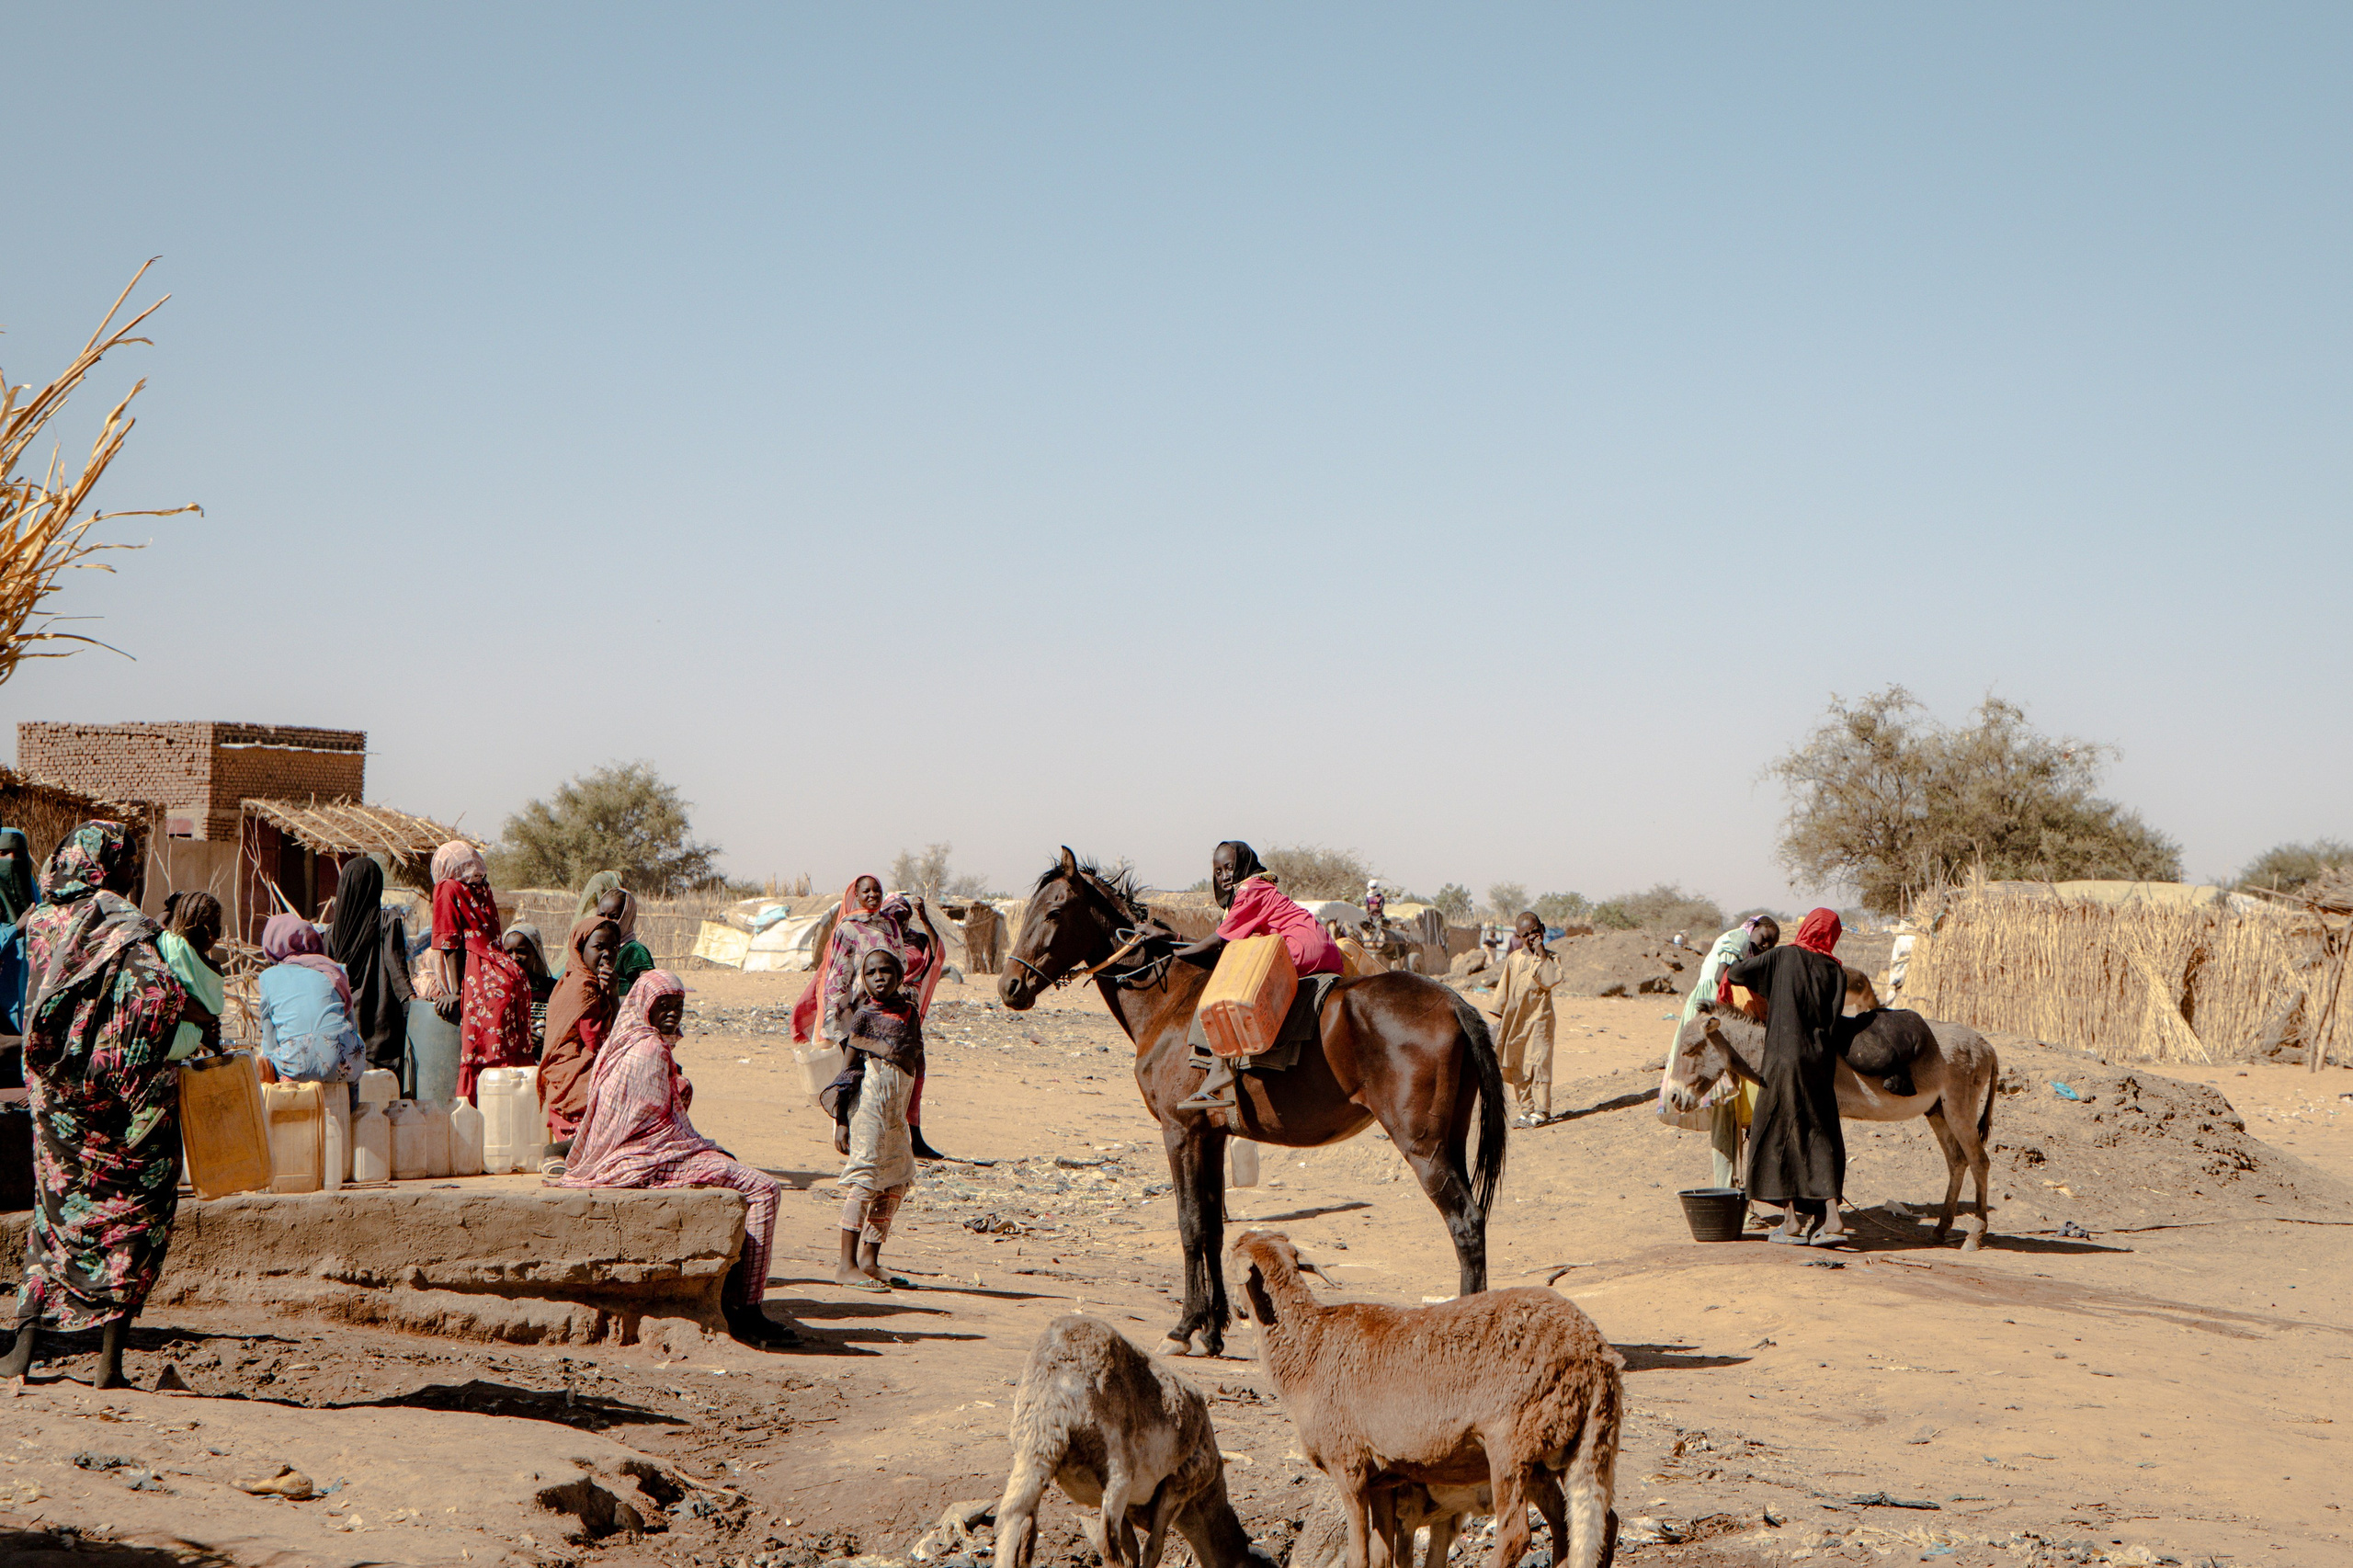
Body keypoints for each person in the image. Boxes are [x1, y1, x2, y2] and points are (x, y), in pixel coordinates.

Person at [2, 822, 188, 1389]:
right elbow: (159, 994)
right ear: (104, 865)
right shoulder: (119, 922)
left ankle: (22, 1354)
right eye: (130, 861)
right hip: (108, 1096)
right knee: (135, 1210)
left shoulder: (36, 921)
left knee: (53, 1212)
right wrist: (131, 1063)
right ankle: (109, 1362)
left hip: (51, 1097)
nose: (136, 872)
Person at [552, 971, 797, 1348]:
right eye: (663, 1006)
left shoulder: (626, 1041)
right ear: (646, 1008)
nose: (671, 1014)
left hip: (638, 1150)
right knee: (763, 1189)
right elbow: (651, 1128)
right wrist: (697, 1145)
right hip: (644, 1157)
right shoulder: (649, 1050)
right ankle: (748, 1310)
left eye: (677, 1007)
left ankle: (735, 1299)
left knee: (727, 1165)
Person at [1174, 841, 1345, 1111]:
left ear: (1243, 865)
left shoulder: (1250, 889)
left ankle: (1221, 1066)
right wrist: (1177, 941)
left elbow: (1218, 943)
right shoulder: (1258, 889)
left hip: (1301, 947)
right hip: (1323, 948)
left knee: (1233, 975)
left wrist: (1172, 954)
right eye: (1218, 872)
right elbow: (1220, 939)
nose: (1225, 876)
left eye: (1230, 867)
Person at [793, 875, 949, 1158]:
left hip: (892, 1008)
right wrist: (836, 1015)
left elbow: (900, 963)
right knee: (858, 1073)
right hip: (859, 1010)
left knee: (908, 1068)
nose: (873, 894)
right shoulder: (848, 928)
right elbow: (838, 972)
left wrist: (901, 1001)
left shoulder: (889, 926)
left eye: (877, 889)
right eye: (867, 891)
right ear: (857, 895)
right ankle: (848, 1131)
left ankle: (907, 1137)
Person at [1724, 907, 1849, 1246]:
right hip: (1820, 1062)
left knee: (1777, 1130)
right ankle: (1832, 1216)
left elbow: (1735, 974)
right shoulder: (1836, 971)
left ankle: (1791, 1221)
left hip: (1782, 1060)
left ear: (1806, 927)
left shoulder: (1783, 955)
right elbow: (1835, 1021)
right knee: (1819, 1131)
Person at [827, 948, 923, 1291]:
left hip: (896, 1108)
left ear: (899, 975)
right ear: (863, 981)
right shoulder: (864, 1016)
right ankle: (845, 1264)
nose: (879, 977)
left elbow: (916, 1065)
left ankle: (869, 1259)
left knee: (897, 1179)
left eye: (886, 971)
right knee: (865, 1178)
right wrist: (841, 1120)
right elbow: (848, 1072)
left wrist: (913, 1119)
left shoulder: (909, 1014)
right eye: (871, 973)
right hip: (868, 1105)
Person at [1662, 915, 1780, 1188]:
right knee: (1725, 1106)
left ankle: (1736, 1187)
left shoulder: (1747, 956)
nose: (1766, 946)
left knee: (1733, 1107)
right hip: (1712, 1015)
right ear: (1752, 928)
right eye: (1763, 939)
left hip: (1720, 1018)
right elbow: (1720, 977)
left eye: (1771, 944)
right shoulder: (1737, 940)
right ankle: (1729, 1189)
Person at [429, 841, 533, 1103]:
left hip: (482, 981)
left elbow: (450, 942)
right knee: (509, 1072)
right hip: (509, 976)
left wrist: (456, 992)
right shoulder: (481, 887)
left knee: (481, 1064)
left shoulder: (447, 887)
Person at [537, 915, 621, 1165]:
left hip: (575, 1062)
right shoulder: (583, 987)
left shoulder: (576, 979)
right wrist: (613, 997)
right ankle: (572, 1147)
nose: (607, 955)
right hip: (573, 1068)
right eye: (599, 948)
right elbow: (599, 1042)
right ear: (580, 948)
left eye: (613, 948)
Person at [324, 856, 414, 1076]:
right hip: (381, 1026)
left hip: (346, 1027)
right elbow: (396, 969)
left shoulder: (330, 934)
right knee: (385, 1095)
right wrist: (414, 1004)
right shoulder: (387, 921)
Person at [256, 914, 366, 1085]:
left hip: (296, 1066)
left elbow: (269, 1038)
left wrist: (274, 1067)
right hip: (349, 1062)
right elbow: (350, 1022)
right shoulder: (333, 969)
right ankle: (351, 1109)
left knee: (265, 1062)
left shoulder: (268, 977)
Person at [1483, 912, 1563, 1127]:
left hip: (1539, 1021)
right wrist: (1500, 1020)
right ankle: (1526, 1109)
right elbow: (1503, 992)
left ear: (1543, 929)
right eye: (1525, 934)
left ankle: (1542, 1110)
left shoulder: (1551, 958)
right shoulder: (1514, 959)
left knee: (1538, 1063)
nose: (1532, 937)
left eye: (1535, 932)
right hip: (1515, 1022)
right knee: (1515, 1063)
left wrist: (1541, 953)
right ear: (1518, 936)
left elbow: (1549, 979)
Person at [160, 892, 226, 1060]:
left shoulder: (168, 944)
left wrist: (169, 909)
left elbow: (155, 925)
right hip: (188, 1043)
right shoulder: (214, 970)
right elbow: (215, 1009)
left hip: (161, 1037)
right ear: (214, 932)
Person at [0, 828, 37, 1038]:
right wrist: (15, 930)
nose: (12, 861)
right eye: (3, 854)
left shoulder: (33, 892)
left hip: (28, 1007)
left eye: (19, 854)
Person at [502, 923, 556, 1050]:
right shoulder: (501, 991)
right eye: (509, 952)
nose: (514, 958)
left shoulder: (552, 987)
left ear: (535, 952)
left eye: (521, 951)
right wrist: (522, 1033)